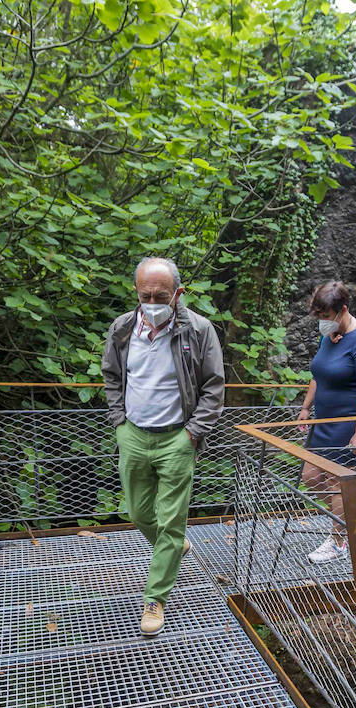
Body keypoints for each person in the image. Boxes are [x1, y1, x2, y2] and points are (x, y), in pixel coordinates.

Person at [102, 256, 225, 636]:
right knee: (139, 513)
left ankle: (155, 597)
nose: (153, 302)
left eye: (161, 295)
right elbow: (110, 375)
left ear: (178, 293)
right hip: (134, 435)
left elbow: (213, 387)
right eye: (146, 295)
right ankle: (172, 546)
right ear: (136, 292)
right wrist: (119, 422)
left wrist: (192, 434)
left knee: (171, 521)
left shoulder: (199, 331)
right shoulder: (122, 329)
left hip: (177, 438)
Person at [295, 281, 356, 564]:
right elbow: (318, 374)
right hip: (323, 421)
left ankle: (337, 540)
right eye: (318, 316)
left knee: (336, 481)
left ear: (343, 310)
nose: (321, 322)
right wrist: (306, 408)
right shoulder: (330, 335)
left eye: (325, 316)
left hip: (347, 422)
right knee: (310, 477)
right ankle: (350, 515)